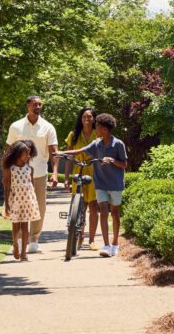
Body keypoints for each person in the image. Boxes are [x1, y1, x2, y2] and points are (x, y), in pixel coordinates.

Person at [56, 113, 127, 258]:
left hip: (115, 184)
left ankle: (115, 244)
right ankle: (106, 245)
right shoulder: (96, 144)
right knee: (104, 212)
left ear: (105, 129)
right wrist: (61, 153)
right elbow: (79, 151)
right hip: (100, 184)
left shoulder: (118, 144)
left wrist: (112, 161)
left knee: (114, 213)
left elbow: (124, 164)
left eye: (99, 127)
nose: (96, 129)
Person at [5, 95, 59, 254]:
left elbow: (54, 153)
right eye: (35, 104)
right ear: (28, 105)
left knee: (39, 207)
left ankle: (34, 240)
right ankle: (20, 240)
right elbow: (8, 151)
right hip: (18, 174)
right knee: (19, 206)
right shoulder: (16, 126)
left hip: (40, 173)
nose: (38, 107)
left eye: (40, 104)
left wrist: (55, 173)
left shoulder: (48, 127)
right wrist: (6, 171)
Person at [63, 107, 99, 250]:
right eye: (84, 116)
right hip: (78, 171)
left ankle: (92, 240)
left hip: (94, 172)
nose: (87, 119)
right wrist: (66, 178)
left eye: (90, 116)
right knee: (79, 207)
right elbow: (69, 157)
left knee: (93, 207)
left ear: (94, 118)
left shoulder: (99, 134)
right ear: (80, 118)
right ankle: (78, 236)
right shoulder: (73, 134)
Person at [2, 140, 41, 261]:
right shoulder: (10, 168)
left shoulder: (30, 169)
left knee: (25, 226)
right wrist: (7, 203)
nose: (28, 156)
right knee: (15, 225)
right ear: (18, 154)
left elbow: (32, 187)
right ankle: (15, 245)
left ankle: (24, 252)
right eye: (26, 154)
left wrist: (33, 202)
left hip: (27, 201)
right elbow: (7, 186)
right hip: (14, 200)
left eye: (29, 154)